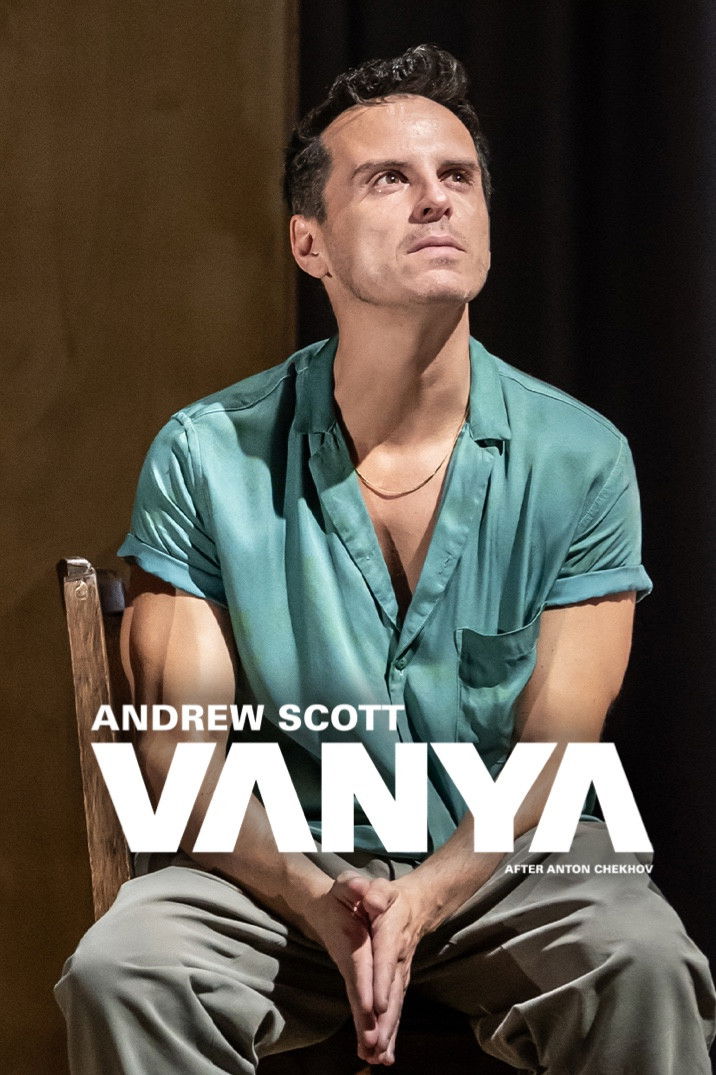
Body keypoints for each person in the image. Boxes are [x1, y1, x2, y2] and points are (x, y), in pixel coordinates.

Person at [54, 44, 715, 1073]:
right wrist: (318, 894)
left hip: (511, 863)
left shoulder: (580, 456)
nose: (435, 199)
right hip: (278, 870)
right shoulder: (207, 455)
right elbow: (181, 760)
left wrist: (426, 896)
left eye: (457, 176)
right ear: (308, 243)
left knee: (642, 958)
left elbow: (555, 756)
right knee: (125, 969)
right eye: (388, 179)